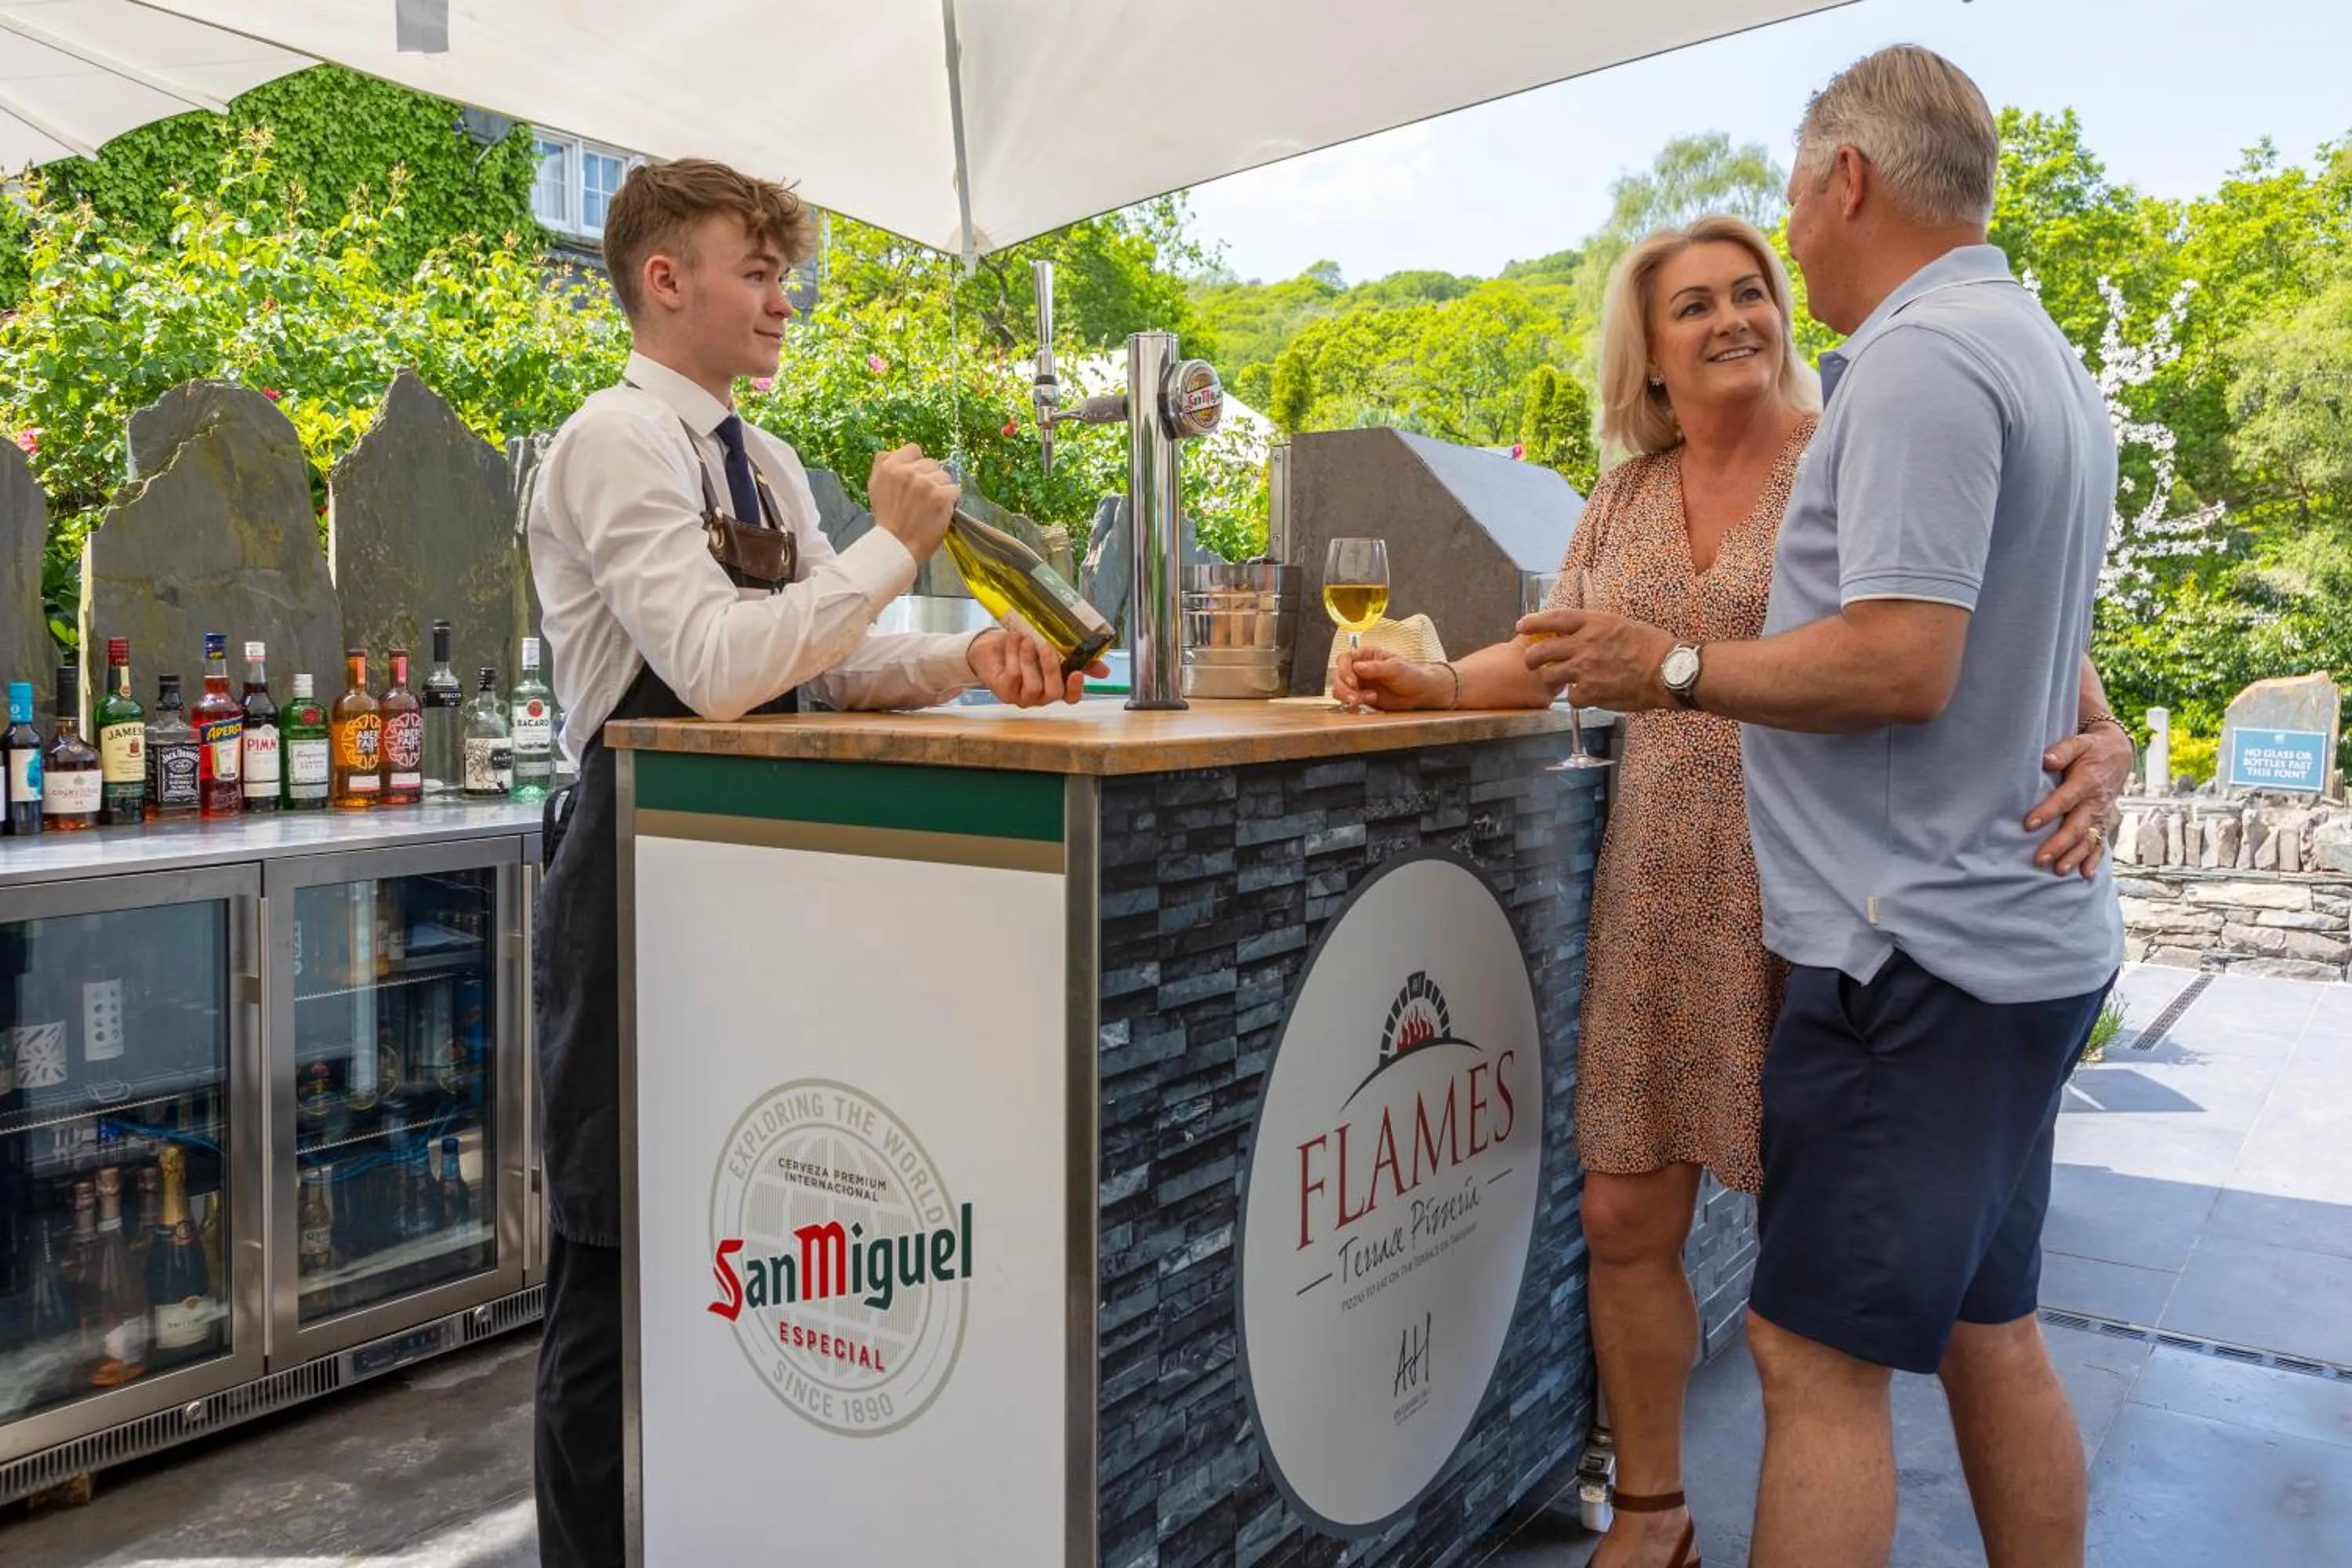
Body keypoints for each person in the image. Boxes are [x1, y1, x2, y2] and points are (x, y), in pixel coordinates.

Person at [1337, 211, 2129, 1567]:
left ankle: (1808, 1499)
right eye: (1693, 306)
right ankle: (1652, 1510)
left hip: (1834, 902)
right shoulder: (1626, 499)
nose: (1733, 320)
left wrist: (2107, 742)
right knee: (1625, 1212)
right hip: (1663, 885)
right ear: (1645, 356)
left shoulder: (1852, 445)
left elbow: (2013, 642)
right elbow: (1555, 653)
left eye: (1750, 292)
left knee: (1827, 1291)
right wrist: (1440, 682)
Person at [1527, 45, 2129, 1568]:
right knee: (1990, 1326)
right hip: (2009, 942)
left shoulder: (1919, 364)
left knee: (1812, 1363)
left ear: (1848, 179)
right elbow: (2018, 626)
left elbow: (1909, 659)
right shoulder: (2033, 347)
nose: (1785, 242)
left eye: (1793, 202)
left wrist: (1671, 664)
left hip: (1911, 948)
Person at [525, 158, 1090, 1568]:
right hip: (632, 867)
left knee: (740, 1224)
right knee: (615, 1260)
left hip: (752, 883)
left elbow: (815, 672)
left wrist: (964, 655)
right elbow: (718, 672)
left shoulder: (762, 460)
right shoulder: (612, 440)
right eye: (757, 271)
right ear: (667, 281)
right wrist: (896, 550)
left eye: (785, 273)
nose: (787, 299)